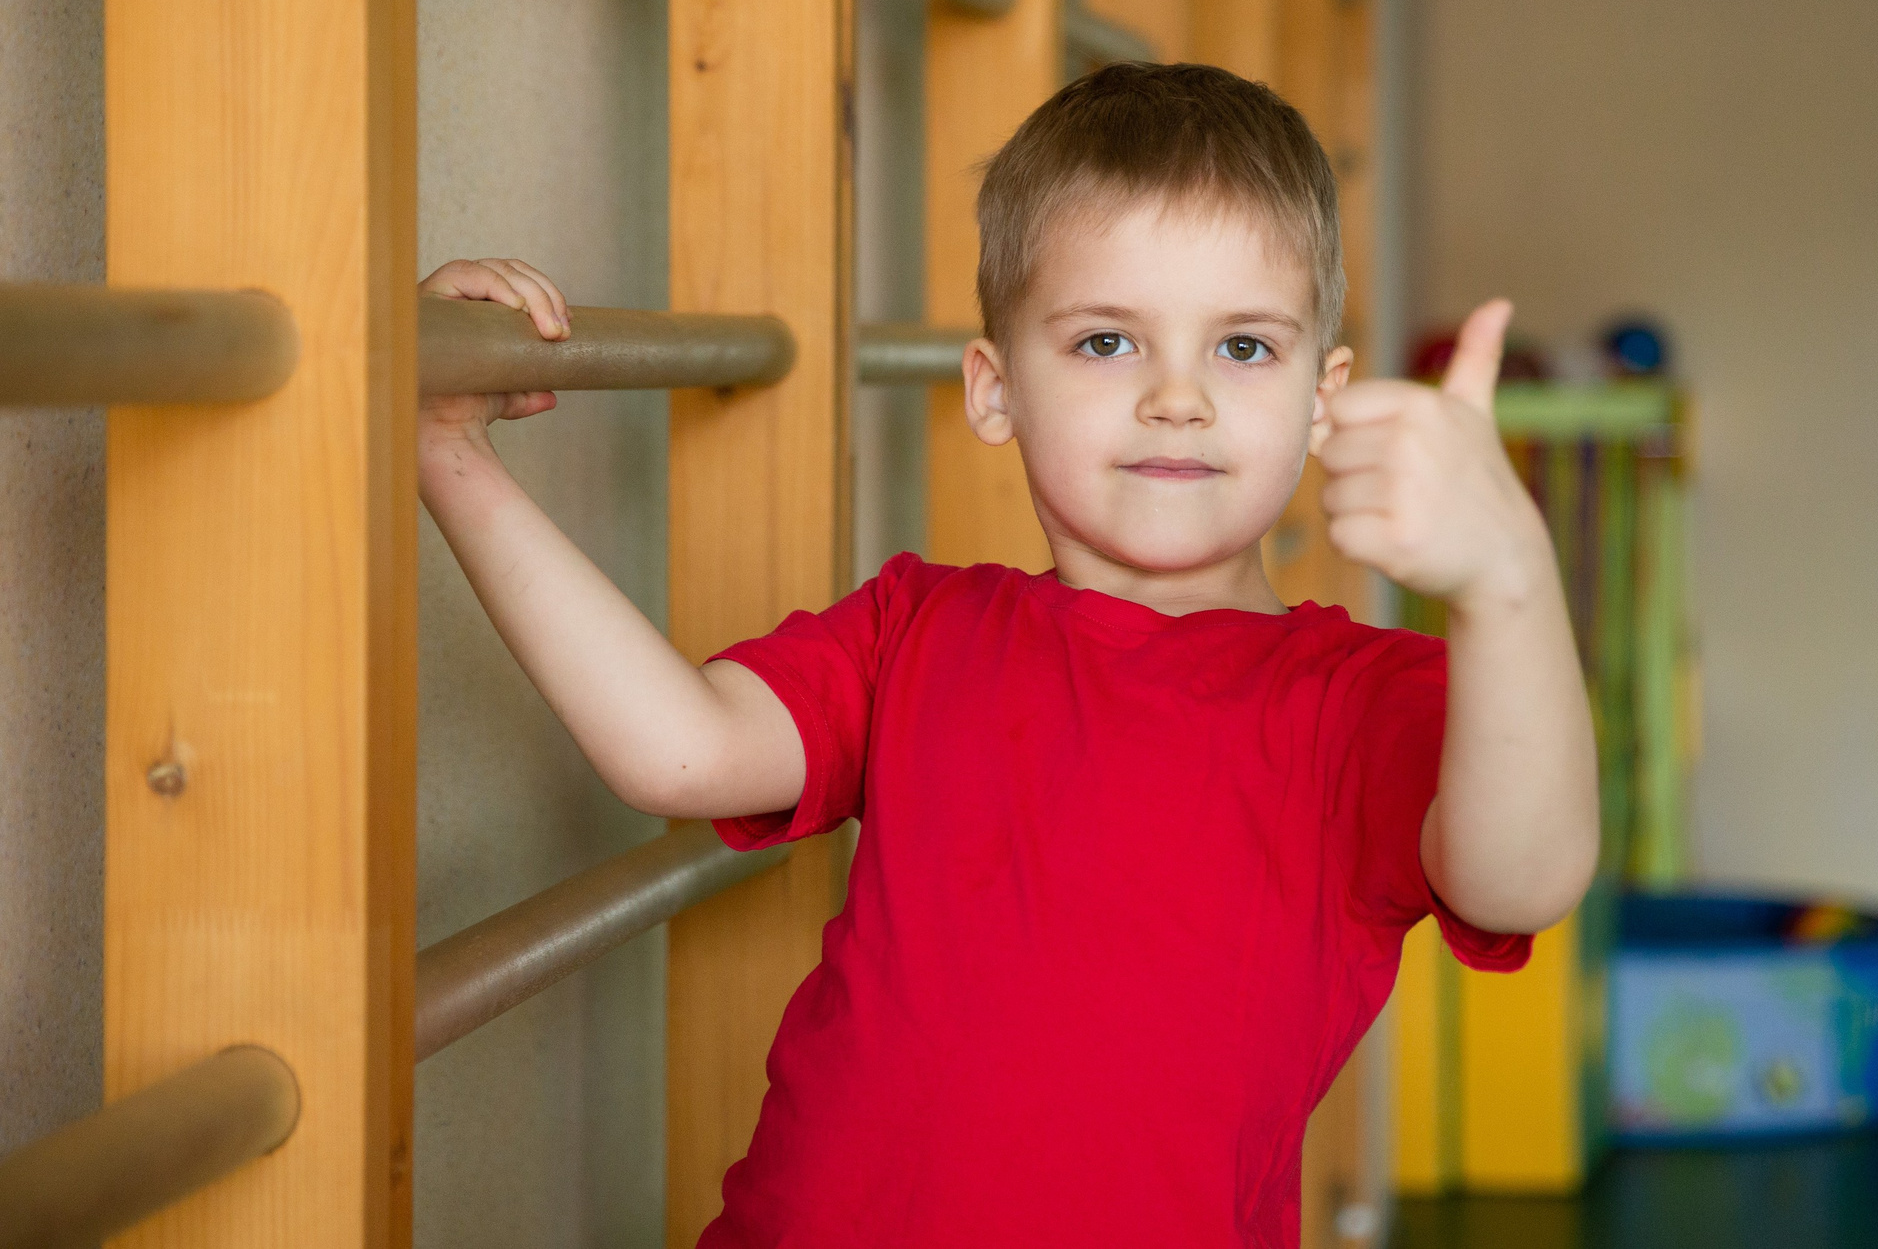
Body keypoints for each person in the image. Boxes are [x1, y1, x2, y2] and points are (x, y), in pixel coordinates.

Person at [416, 62, 1598, 1248]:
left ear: (1320, 401)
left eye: (1242, 348)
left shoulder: (1360, 702)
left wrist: (1508, 581)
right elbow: (675, 755)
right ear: (995, 390)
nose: (1176, 397)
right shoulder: (916, 629)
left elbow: (1520, 879)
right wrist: (449, 454)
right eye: (1104, 344)